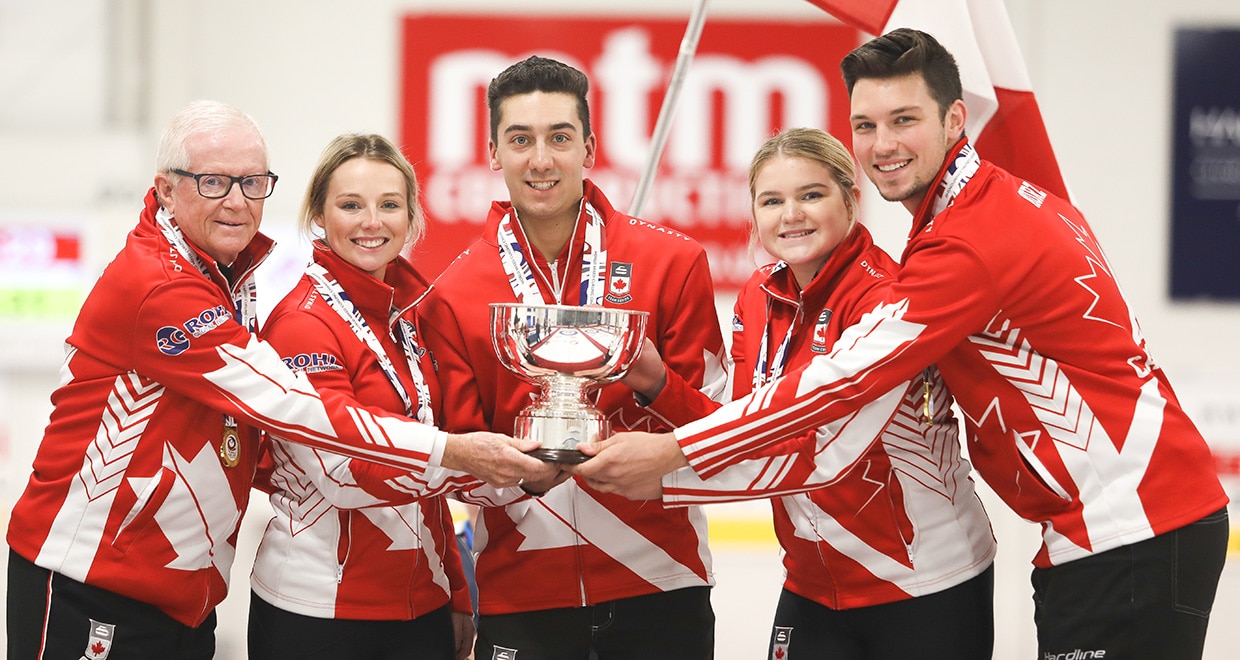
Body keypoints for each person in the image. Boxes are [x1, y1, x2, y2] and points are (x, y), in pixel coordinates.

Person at [577, 28, 1230, 660]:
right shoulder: (974, 212)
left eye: (904, 120)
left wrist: (669, 459)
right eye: (866, 125)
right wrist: (661, 391)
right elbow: (761, 420)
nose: (882, 143)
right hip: (1102, 530)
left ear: (953, 120)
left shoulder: (963, 244)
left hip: (1126, 528)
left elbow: (835, 394)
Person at [5, 101, 553, 659]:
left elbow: (258, 450)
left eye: (252, 182)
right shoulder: (163, 284)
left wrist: (517, 476)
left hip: (183, 592)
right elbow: (293, 408)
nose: (238, 202)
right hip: (95, 582)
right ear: (166, 190)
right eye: (214, 182)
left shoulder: (231, 275)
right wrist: (457, 454)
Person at [618, 127, 995, 660]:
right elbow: (744, 428)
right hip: (812, 584)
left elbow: (823, 454)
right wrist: (655, 382)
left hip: (925, 579)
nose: (790, 214)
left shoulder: (886, 299)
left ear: (850, 198)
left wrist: (663, 476)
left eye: (811, 195)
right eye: (772, 201)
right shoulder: (758, 293)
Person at [417, 56, 728, 659]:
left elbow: (721, 435)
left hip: (661, 582)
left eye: (560, 137)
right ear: (492, 152)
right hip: (521, 595)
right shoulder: (452, 295)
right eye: (520, 139)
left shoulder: (673, 262)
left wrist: (655, 382)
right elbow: (451, 457)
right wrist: (515, 474)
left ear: (588, 148)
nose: (541, 160)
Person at [247, 133, 489, 660]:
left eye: (389, 205)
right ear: (318, 214)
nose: (371, 222)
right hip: (317, 612)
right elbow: (344, 474)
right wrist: (485, 463)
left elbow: (425, 470)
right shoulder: (300, 323)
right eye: (351, 205)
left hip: (420, 603)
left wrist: (457, 586)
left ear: (412, 217)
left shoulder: (410, 318)